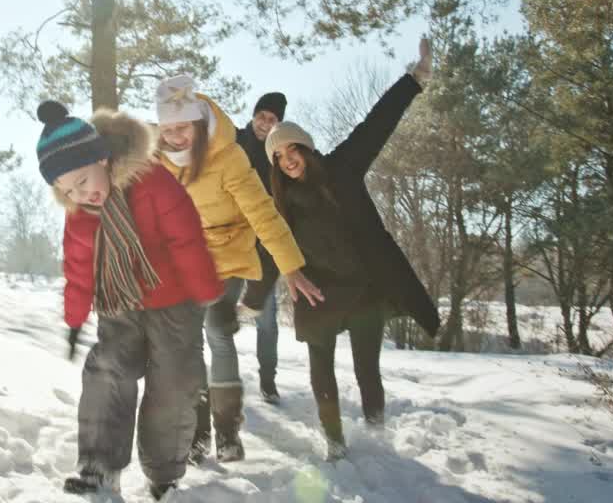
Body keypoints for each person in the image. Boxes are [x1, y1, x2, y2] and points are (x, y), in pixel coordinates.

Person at [263, 39, 442, 461]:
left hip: (364, 287)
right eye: (279, 155)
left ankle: (376, 433)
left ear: (305, 147)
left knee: (366, 365)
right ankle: (334, 441)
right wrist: (281, 277)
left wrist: (414, 81)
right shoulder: (279, 202)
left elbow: (377, 123)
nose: (288, 159)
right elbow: (269, 242)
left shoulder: (342, 168)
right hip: (318, 289)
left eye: (293, 149)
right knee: (320, 365)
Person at [37, 100, 223, 500]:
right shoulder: (80, 213)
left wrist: (208, 294)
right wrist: (73, 320)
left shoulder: (152, 180)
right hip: (120, 302)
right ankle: (98, 467)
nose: (83, 194)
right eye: (69, 190)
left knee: (173, 382)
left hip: (175, 300)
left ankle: (163, 475)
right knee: (107, 368)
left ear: (102, 158)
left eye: (84, 180)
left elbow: (186, 238)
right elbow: (79, 268)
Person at [154, 75, 323, 464]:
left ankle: (227, 429)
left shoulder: (227, 157)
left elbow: (263, 213)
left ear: (197, 123)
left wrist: (291, 267)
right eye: (167, 130)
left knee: (216, 329)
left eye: (182, 128)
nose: (175, 137)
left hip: (228, 253)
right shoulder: (157, 158)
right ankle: (197, 432)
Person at [235, 91, 288, 404]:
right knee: (219, 316)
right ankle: (222, 377)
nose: (264, 123)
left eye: (272, 120)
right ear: (253, 115)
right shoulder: (235, 140)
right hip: (229, 240)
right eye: (261, 116)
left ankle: (268, 380)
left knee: (266, 317)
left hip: (262, 248)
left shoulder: (279, 155)